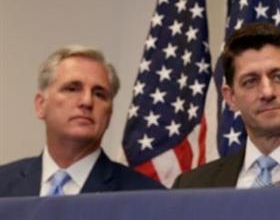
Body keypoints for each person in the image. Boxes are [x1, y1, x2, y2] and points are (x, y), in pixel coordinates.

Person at [172, 23, 280, 189]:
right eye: (250, 81)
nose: (267, 92)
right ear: (231, 98)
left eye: (279, 77)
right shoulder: (190, 187)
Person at [0, 45, 164, 196]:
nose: (87, 101)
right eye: (72, 89)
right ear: (41, 105)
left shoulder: (146, 195)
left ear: (110, 112)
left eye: (99, 94)